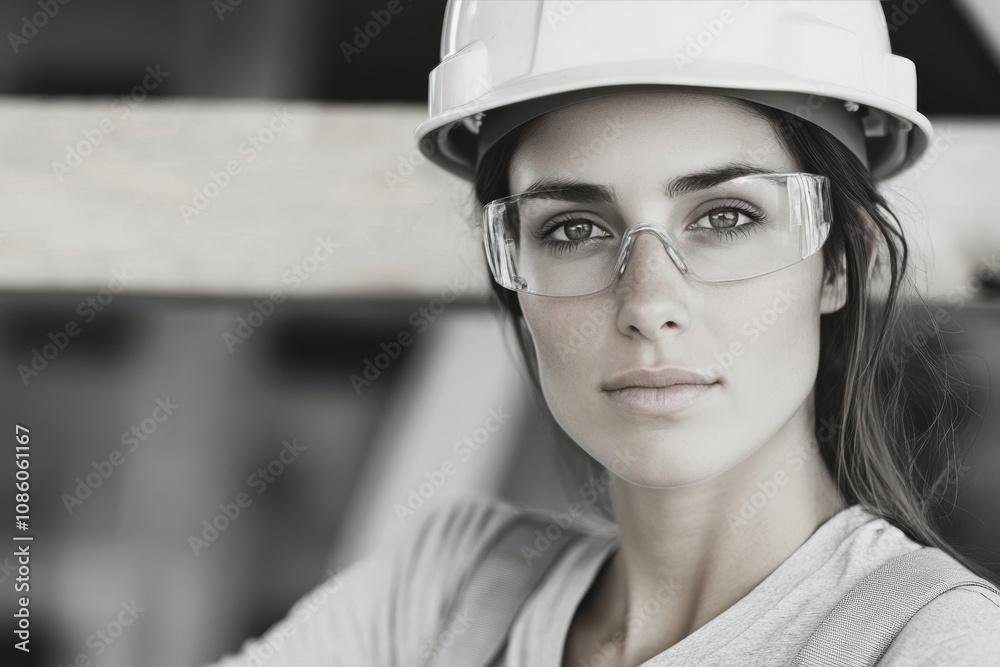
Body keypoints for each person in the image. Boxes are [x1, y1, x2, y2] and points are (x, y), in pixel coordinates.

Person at [205, 2, 1000, 665]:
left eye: (725, 217)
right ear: (513, 274)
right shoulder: (445, 589)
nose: (648, 302)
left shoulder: (931, 643)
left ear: (839, 261)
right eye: (575, 228)